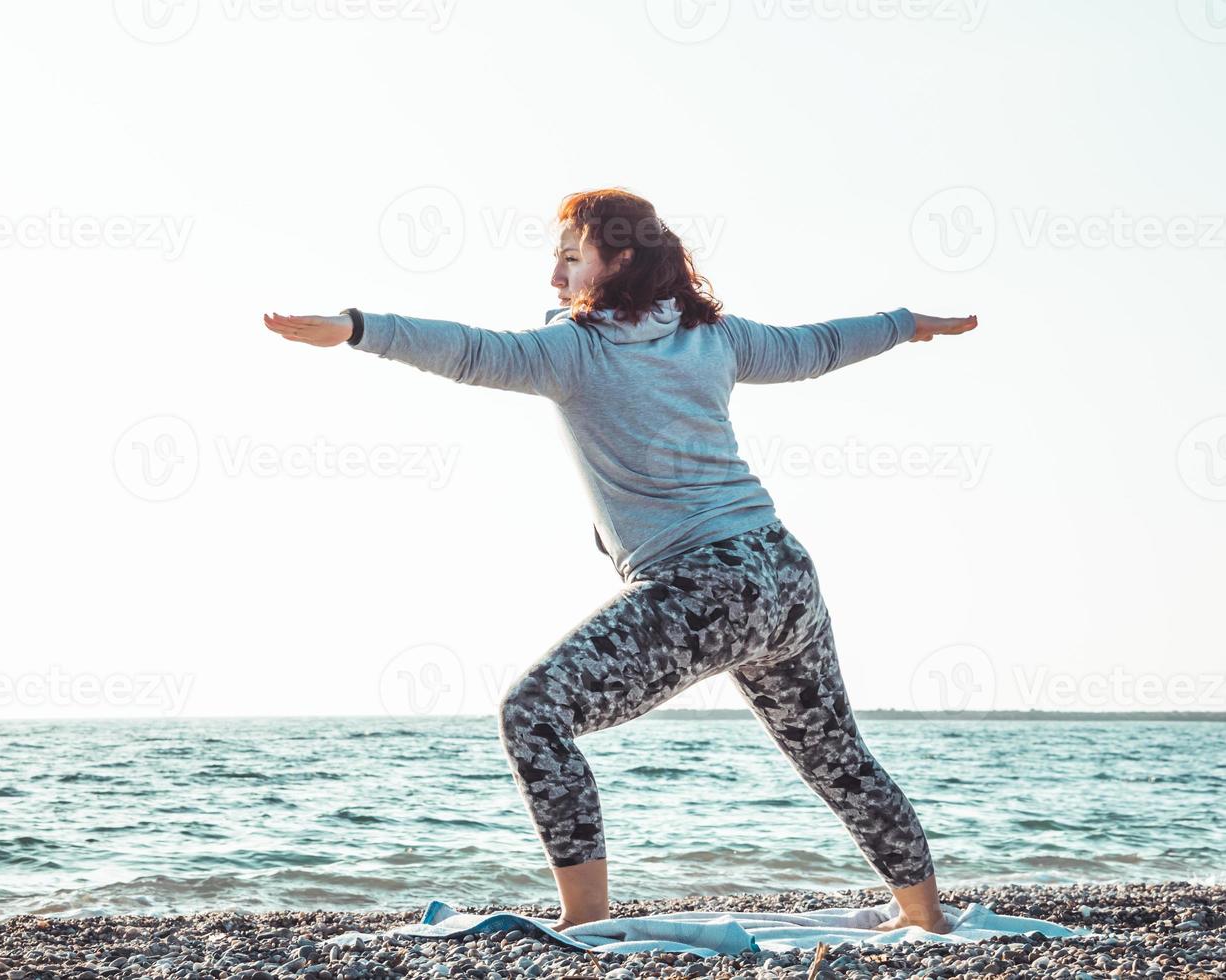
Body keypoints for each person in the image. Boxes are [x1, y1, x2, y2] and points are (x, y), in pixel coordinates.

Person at [263, 188, 976, 935]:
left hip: (706, 584)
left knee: (533, 713)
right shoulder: (715, 337)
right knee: (837, 754)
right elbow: (817, 346)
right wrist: (905, 325)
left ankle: (586, 919)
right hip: (783, 571)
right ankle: (924, 916)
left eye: (570, 259)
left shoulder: (575, 350)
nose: (554, 279)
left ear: (621, 257)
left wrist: (357, 329)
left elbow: (470, 351)